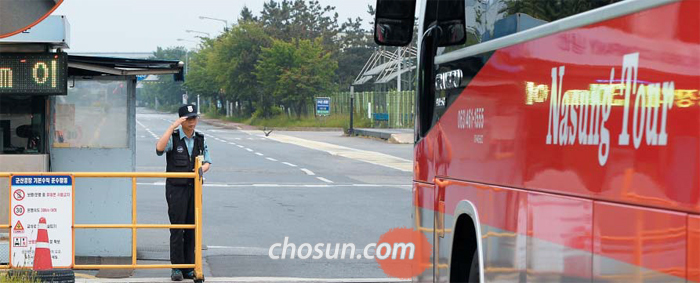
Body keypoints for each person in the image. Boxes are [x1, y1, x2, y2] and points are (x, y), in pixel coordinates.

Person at [155, 104, 212, 281]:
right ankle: (176, 268)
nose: (192, 122)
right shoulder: (173, 137)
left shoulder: (200, 139)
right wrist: (172, 126)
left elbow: (208, 161)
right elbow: (159, 149)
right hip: (176, 189)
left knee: (192, 228)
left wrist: (202, 169)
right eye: (188, 119)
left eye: (194, 118)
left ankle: (189, 267)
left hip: (193, 189)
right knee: (177, 228)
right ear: (181, 120)